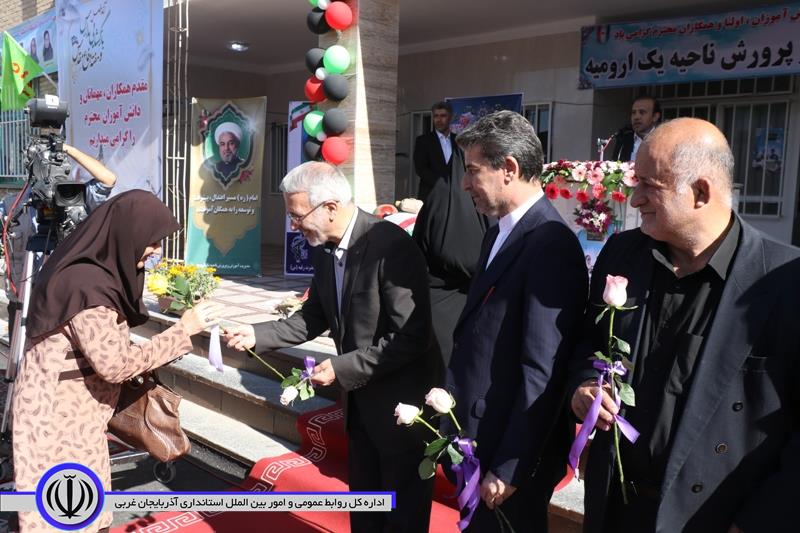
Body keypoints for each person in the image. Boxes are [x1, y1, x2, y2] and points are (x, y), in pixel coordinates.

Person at [568, 117, 799, 533]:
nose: (634, 199)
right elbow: (588, 341)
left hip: (715, 519)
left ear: (701, 192)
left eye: (648, 185)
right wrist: (585, 385)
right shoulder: (623, 254)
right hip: (613, 507)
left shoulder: (783, 280)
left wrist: (757, 522)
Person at [224, 161, 442, 533]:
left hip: (400, 407)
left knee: (403, 516)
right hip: (360, 406)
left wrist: (342, 368)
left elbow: (411, 337)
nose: (294, 225)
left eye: (297, 216)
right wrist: (257, 335)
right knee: (366, 510)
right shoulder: (325, 248)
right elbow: (314, 316)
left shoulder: (390, 246)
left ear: (330, 208)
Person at [12, 190, 224, 532]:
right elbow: (115, 365)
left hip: (72, 412)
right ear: (127, 235)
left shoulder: (87, 273)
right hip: (59, 420)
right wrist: (182, 331)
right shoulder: (88, 290)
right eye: (151, 242)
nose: (155, 251)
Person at [444, 111, 588, 532]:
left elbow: (542, 370)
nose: (464, 184)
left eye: (473, 170)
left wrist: (510, 466)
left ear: (508, 168)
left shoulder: (550, 243)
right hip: (479, 437)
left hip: (508, 457)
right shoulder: (497, 231)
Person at [1, 143, 117, 347]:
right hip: (23, 298)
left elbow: (108, 179)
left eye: (57, 164)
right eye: (45, 164)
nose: (51, 170)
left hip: (63, 301)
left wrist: (69, 149)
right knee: (19, 356)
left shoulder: (72, 197)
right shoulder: (13, 204)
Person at [413, 144, 488, 364]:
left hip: (438, 305)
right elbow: (463, 258)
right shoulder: (450, 198)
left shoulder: (439, 193)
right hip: (450, 309)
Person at [414, 101, 457, 202]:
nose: (439, 119)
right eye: (436, 116)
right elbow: (420, 169)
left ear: (450, 118)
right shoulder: (423, 140)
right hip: (431, 194)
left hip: (455, 195)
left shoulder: (458, 141)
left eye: (443, 116)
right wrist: (442, 184)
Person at [610, 95, 661, 162]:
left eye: (642, 112)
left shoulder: (664, 141)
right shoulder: (623, 140)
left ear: (655, 117)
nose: (636, 117)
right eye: (633, 113)